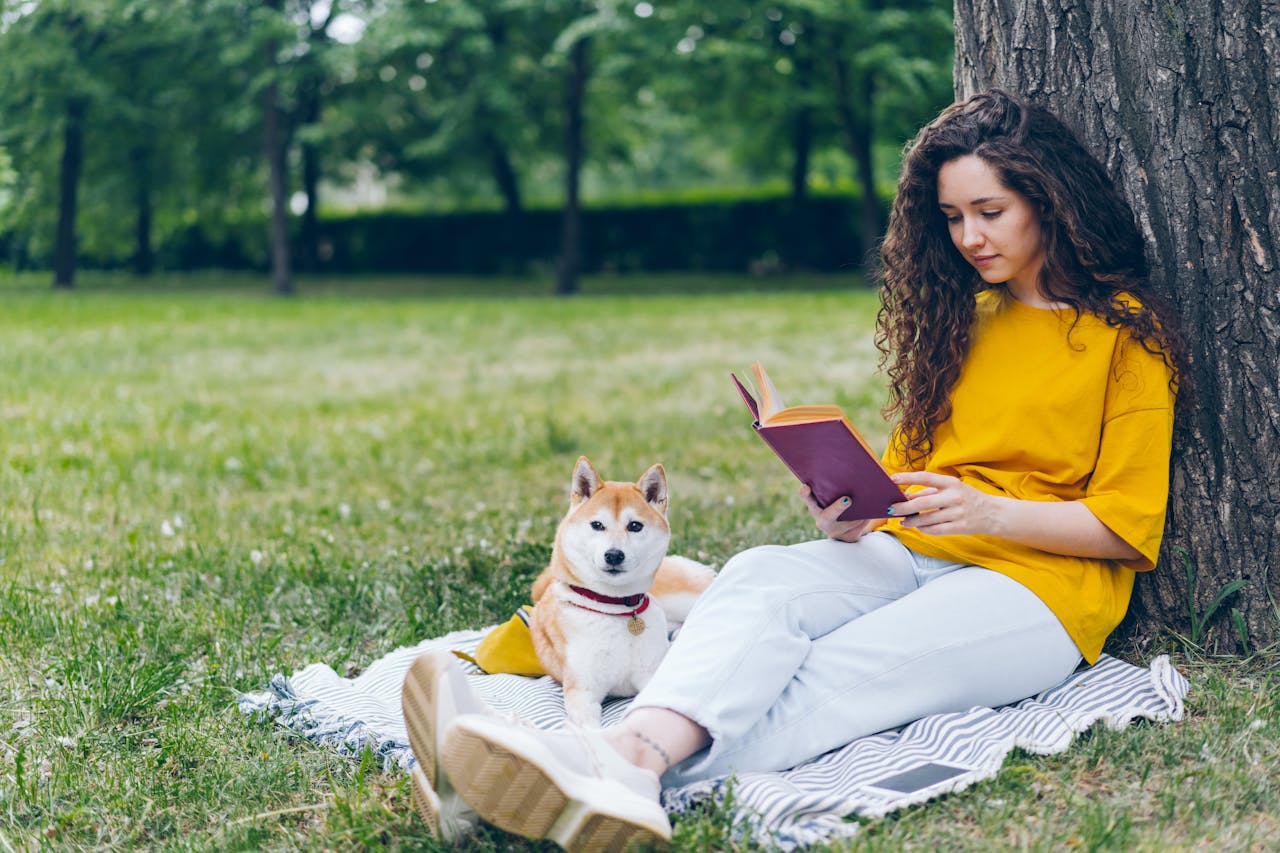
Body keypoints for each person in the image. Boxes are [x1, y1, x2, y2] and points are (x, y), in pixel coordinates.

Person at [400, 88, 1187, 850]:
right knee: (757, 578)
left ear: (1048, 200)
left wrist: (989, 513)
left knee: (850, 667)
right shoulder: (962, 320)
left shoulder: (1126, 336)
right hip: (913, 549)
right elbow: (910, 481)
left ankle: (588, 769)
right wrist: (847, 509)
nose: (970, 237)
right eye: (952, 217)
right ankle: (620, 761)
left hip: (1041, 588)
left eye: (991, 212)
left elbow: (1125, 526)